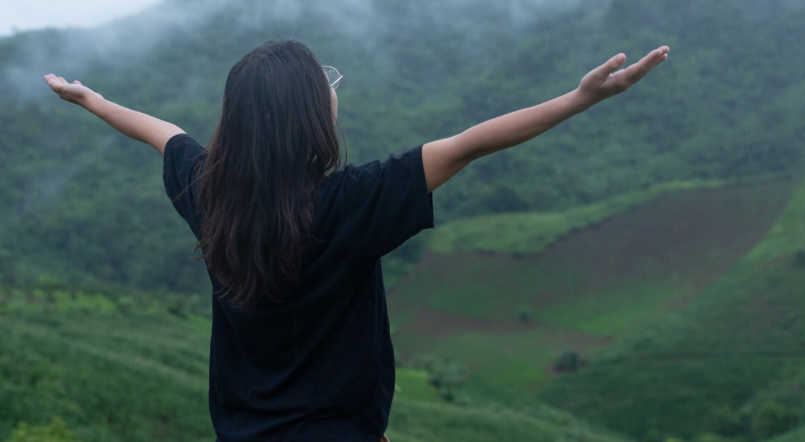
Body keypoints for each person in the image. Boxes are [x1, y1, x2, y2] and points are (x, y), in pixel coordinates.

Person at [42, 38, 669, 442]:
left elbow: (162, 133)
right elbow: (474, 142)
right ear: (310, 118)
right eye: (326, 89)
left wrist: (93, 101)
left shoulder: (212, 198)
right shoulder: (351, 203)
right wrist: (581, 99)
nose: (334, 97)